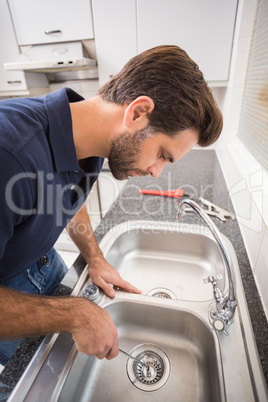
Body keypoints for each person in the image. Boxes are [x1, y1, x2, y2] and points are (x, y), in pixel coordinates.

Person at [0, 45, 223, 367]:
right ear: (136, 112)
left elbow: (62, 197)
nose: (155, 172)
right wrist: (77, 313)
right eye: (162, 153)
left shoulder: (85, 139)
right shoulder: (9, 151)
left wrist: (94, 257)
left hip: (43, 266)